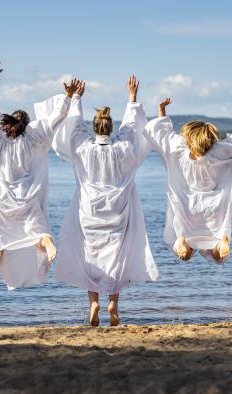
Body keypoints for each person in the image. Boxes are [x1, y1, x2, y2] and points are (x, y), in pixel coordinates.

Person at [53, 76, 159, 326]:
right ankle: (113, 303)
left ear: (96, 128)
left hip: (89, 211)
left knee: (90, 254)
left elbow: (74, 127)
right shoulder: (121, 150)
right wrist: (132, 98)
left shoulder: (84, 150)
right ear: (110, 128)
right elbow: (132, 130)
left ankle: (94, 304)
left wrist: (75, 98)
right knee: (115, 255)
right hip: (117, 211)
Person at [0, 60, 72, 289]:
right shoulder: (34, 137)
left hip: (0, 200)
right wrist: (68, 97)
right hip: (27, 198)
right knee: (38, 228)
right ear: (27, 124)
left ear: (8, 121)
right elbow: (56, 119)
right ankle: (47, 243)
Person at [143, 98, 232, 262]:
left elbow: (162, 134)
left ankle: (182, 241)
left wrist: (162, 110)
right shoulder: (218, 151)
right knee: (218, 250)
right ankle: (222, 242)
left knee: (184, 252)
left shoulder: (179, 148)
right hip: (214, 204)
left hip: (187, 203)